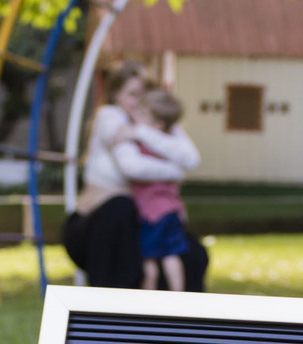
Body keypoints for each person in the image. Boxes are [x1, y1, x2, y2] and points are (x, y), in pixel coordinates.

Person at [62, 62, 207, 290]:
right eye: (132, 94)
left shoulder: (154, 122)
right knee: (122, 209)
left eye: (144, 94)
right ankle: (112, 316)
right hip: (97, 229)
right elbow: (131, 167)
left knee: (192, 255)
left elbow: (190, 158)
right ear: (116, 94)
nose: (138, 102)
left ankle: (179, 319)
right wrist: (175, 173)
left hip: (143, 224)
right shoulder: (110, 117)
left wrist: (143, 131)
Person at [131, 90, 190, 292]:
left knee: (149, 260)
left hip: (151, 213)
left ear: (158, 124)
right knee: (172, 255)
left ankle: (147, 301)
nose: (136, 117)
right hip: (172, 210)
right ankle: (178, 296)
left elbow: (133, 169)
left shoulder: (145, 145)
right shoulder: (171, 146)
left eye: (143, 114)